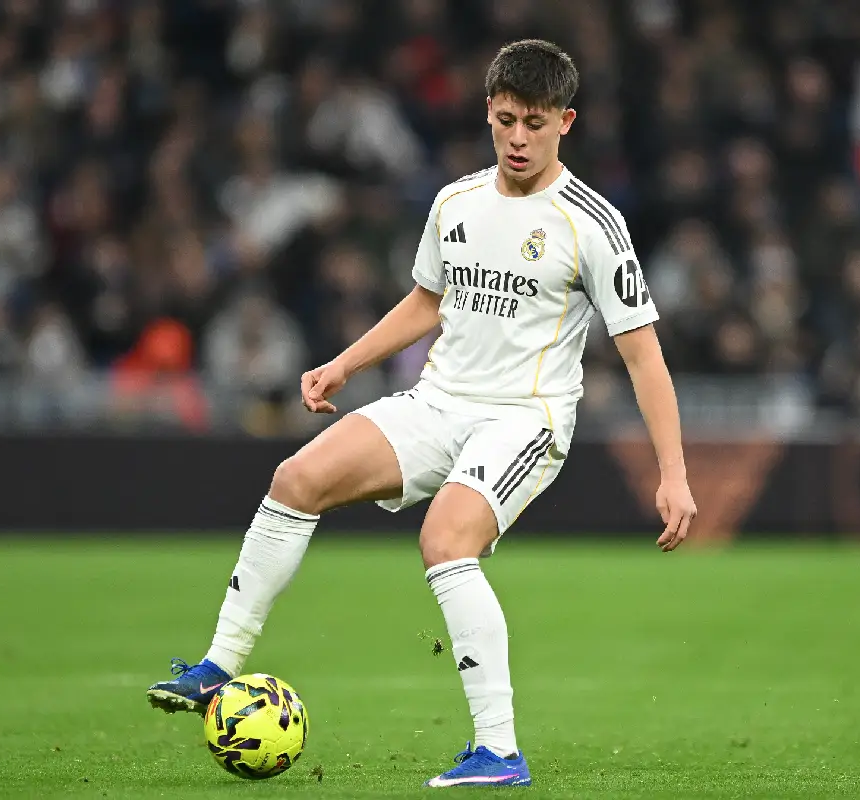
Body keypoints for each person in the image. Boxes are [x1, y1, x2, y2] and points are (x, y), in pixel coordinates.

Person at [146, 39, 697, 788]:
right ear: (488, 113)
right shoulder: (455, 203)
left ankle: (499, 751)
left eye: (535, 123)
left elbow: (644, 357)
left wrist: (674, 474)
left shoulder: (592, 224)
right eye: (505, 119)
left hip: (524, 419)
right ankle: (218, 668)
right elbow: (426, 303)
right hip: (438, 402)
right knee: (295, 476)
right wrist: (345, 363)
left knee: (445, 540)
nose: (518, 138)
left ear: (566, 121)